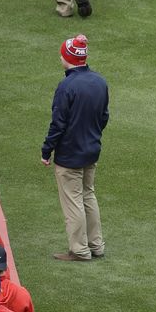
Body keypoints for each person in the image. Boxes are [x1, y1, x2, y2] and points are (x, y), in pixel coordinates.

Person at [41, 35, 109, 261]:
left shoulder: (66, 86)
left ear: (67, 58)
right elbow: (104, 116)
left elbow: (58, 124)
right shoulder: (100, 81)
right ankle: (96, 245)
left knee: (73, 201)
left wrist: (46, 149)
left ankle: (80, 250)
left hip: (70, 154)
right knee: (89, 196)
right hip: (91, 149)